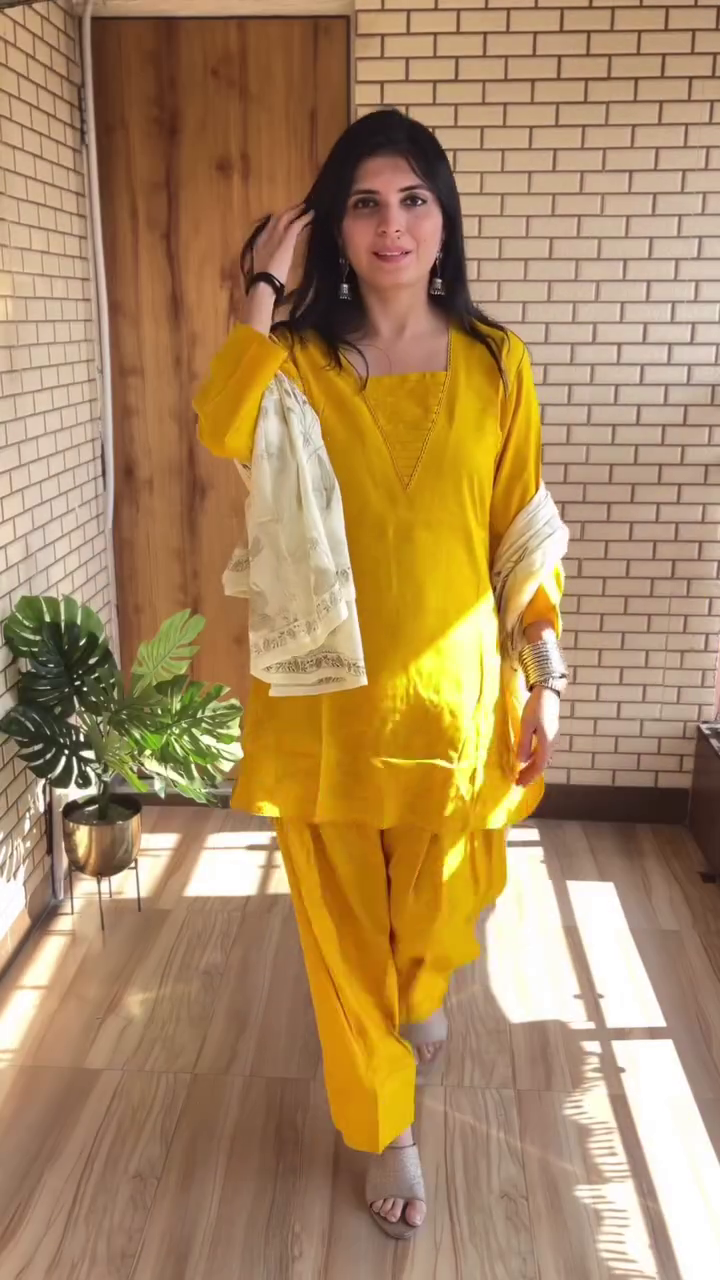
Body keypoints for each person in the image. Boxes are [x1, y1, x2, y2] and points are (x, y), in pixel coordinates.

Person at [194, 109, 566, 1240]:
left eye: (412, 199)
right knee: (342, 931)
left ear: (443, 218)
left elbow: (521, 534)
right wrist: (262, 291)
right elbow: (224, 426)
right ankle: (383, 1122)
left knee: (434, 917)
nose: (390, 224)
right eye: (363, 202)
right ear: (333, 226)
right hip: (323, 705)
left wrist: (547, 674)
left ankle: (418, 997)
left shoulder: (497, 362)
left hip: (457, 704)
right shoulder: (299, 363)